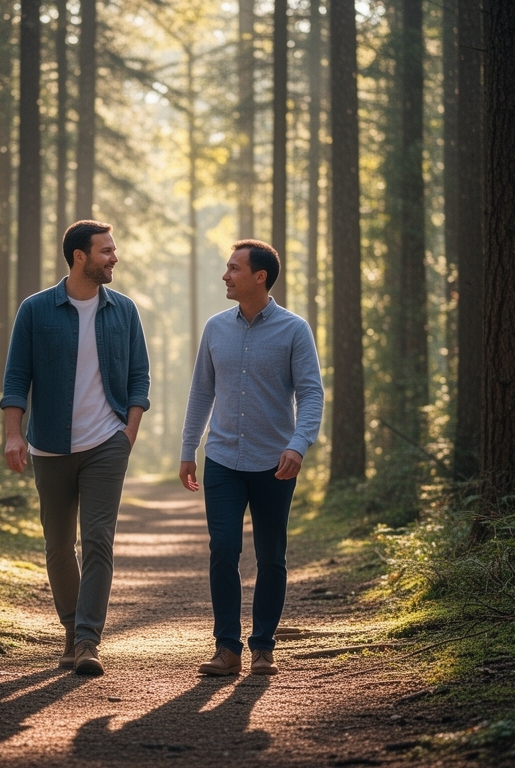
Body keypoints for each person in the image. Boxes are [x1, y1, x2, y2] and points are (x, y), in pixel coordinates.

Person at [2, 220, 150, 676]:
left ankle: (88, 640)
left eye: (114, 249)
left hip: (107, 442)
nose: (114, 258)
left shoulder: (123, 311)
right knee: (58, 545)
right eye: (105, 251)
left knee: (99, 541)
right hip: (50, 445)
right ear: (79, 256)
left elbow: (139, 378)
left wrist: (128, 431)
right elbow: (15, 378)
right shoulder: (36, 309)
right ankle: (70, 629)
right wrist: (13, 433)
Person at [180, 239, 324, 676]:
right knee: (223, 550)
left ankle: (263, 646)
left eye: (233, 268)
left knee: (271, 556)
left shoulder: (294, 330)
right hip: (222, 458)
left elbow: (312, 394)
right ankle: (227, 648)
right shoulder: (215, 328)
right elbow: (201, 393)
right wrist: (189, 450)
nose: (226, 275)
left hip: (274, 463)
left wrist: (299, 445)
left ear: (260, 276)